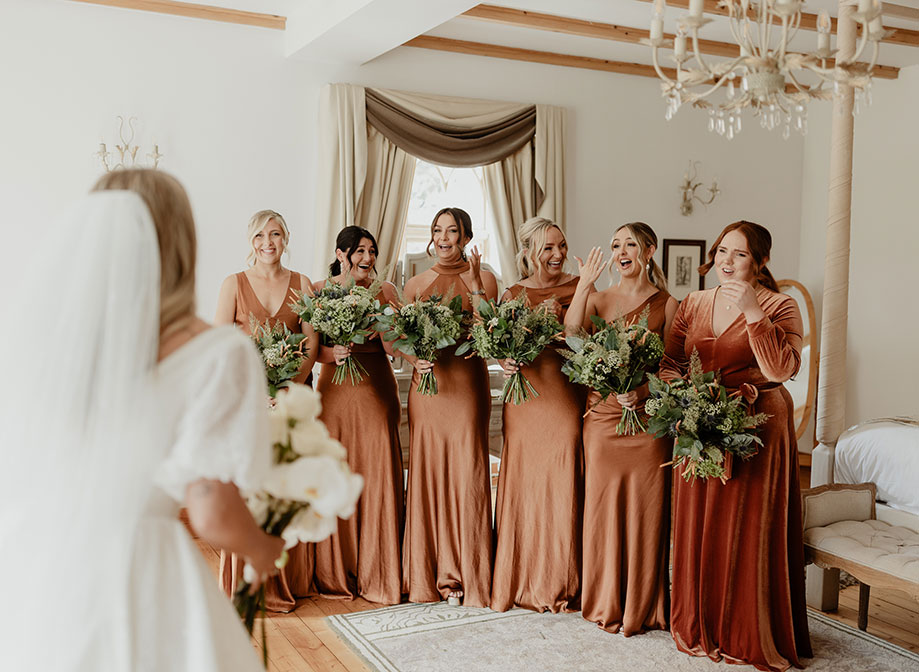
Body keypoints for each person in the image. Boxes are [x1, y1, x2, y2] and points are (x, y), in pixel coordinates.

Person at [0, 169, 283, 671]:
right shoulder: (218, 352)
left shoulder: (51, 351)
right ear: (180, 243)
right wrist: (263, 549)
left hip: (42, 561)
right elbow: (210, 507)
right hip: (141, 569)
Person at [661, 220, 812, 670]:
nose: (726, 261)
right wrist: (689, 401)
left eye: (740, 254)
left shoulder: (781, 306)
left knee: (747, 528)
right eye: (723, 251)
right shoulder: (693, 301)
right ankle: (700, 620)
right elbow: (669, 363)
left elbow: (783, 369)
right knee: (699, 523)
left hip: (759, 426)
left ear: (760, 262)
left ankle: (747, 628)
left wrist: (753, 313)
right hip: (699, 424)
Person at [564, 222, 677, 636]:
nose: (621, 250)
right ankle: (604, 597)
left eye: (630, 244)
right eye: (615, 245)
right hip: (603, 419)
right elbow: (572, 334)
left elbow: (676, 366)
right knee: (601, 507)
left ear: (649, 251)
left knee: (646, 511)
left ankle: (644, 604)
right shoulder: (598, 298)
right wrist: (583, 286)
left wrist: (644, 389)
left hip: (647, 424)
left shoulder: (668, 304)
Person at [214, 209, 317, 612]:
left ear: (285, 238)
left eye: (275, 234)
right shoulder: (233, 284)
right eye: (260, 236)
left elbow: (310, 343)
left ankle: (284, 583)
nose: (268, 242)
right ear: (251, 242)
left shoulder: (302, 284)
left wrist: (290, 385)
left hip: (291, 402)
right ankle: (245, 585)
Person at [491, 217, 589, 613]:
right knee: (525, 481)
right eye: (548, 247)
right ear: (529, 251)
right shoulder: (512, 292)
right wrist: (504, 360)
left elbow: (584, 341)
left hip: (563, 393)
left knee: (562, 477)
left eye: (561, 245)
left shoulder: (580, 286)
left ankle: (561, 576)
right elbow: (497, 344)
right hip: (524, 396)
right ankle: (520, 574)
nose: (557, 254)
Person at [401, 207, 498, 607]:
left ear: (465, 237)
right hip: (428, 390)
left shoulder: (487, 278)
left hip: (467, 388)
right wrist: (414, 359)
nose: (443, 238)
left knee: (467, 473)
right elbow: (401, 338)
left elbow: (491, 332)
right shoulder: (415, 284)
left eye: (452, 231)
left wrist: (475, 284)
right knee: (429, 473)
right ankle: (428, 575)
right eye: (437, 230)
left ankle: (468, 573)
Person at [311, 226, 404, 605]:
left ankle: (379, 569)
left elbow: (395, 344)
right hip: (334, 390)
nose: (367, 258)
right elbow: (312, 350)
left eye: (371, 251)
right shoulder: (318, 291)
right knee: (338, 470)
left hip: (376, 388)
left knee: (377, 473)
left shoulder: (386, 291)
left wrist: (404, 341)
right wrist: (332, 355)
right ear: (341, 254)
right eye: (359, 251)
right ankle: (337, 569)